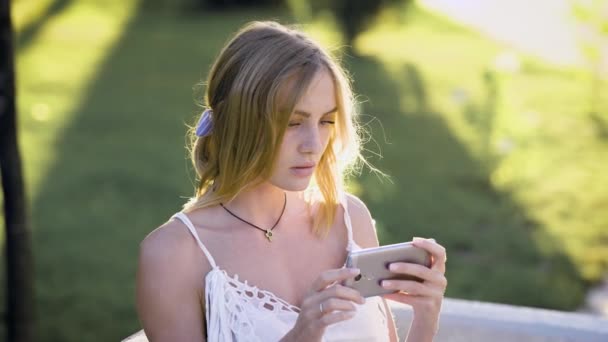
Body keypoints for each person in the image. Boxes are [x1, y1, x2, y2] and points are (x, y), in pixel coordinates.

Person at [135, 21, 447, 342]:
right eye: (292, 122)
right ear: (238, 122)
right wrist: (300, 336)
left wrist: (426, 317)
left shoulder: (348, 218)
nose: (313, 144)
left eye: (326, 120)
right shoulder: (174, 255)